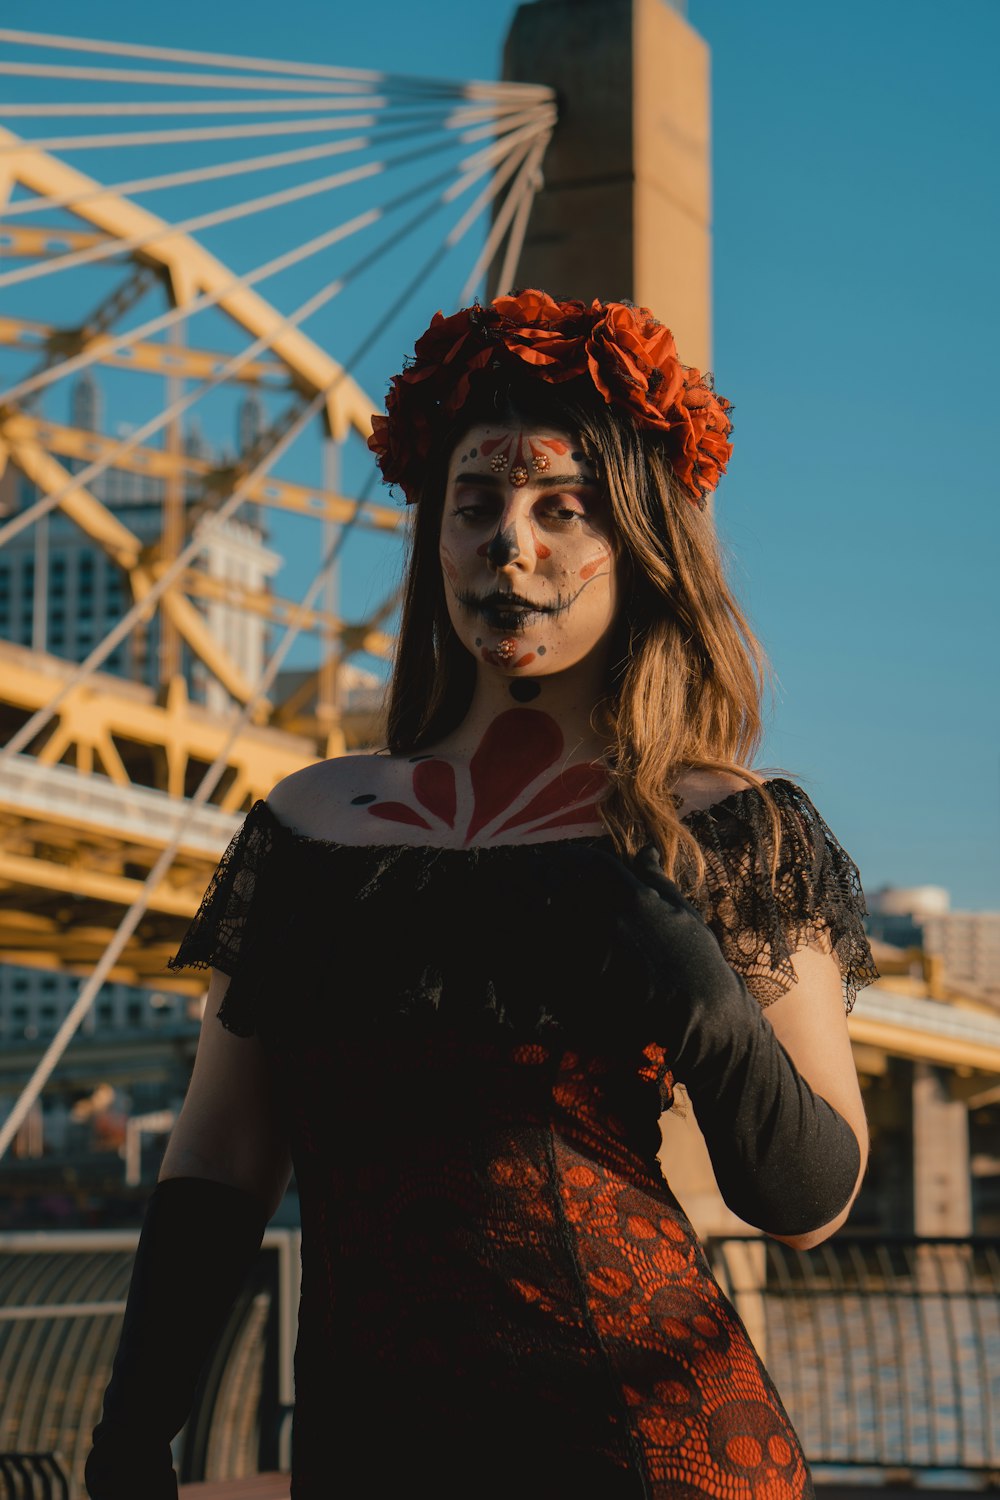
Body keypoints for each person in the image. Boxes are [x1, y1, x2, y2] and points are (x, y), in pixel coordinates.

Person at [85, 289, 877, 1500]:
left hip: (650, 1450)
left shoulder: (726, 827)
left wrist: (706, 1004)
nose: (510, 543)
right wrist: (134, 1428)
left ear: (642, 546)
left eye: (564, 510)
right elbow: (220, 1160)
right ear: (435, 537)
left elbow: (812, 1205)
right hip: (366, 1457)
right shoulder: (306, 825)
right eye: (475, 506)